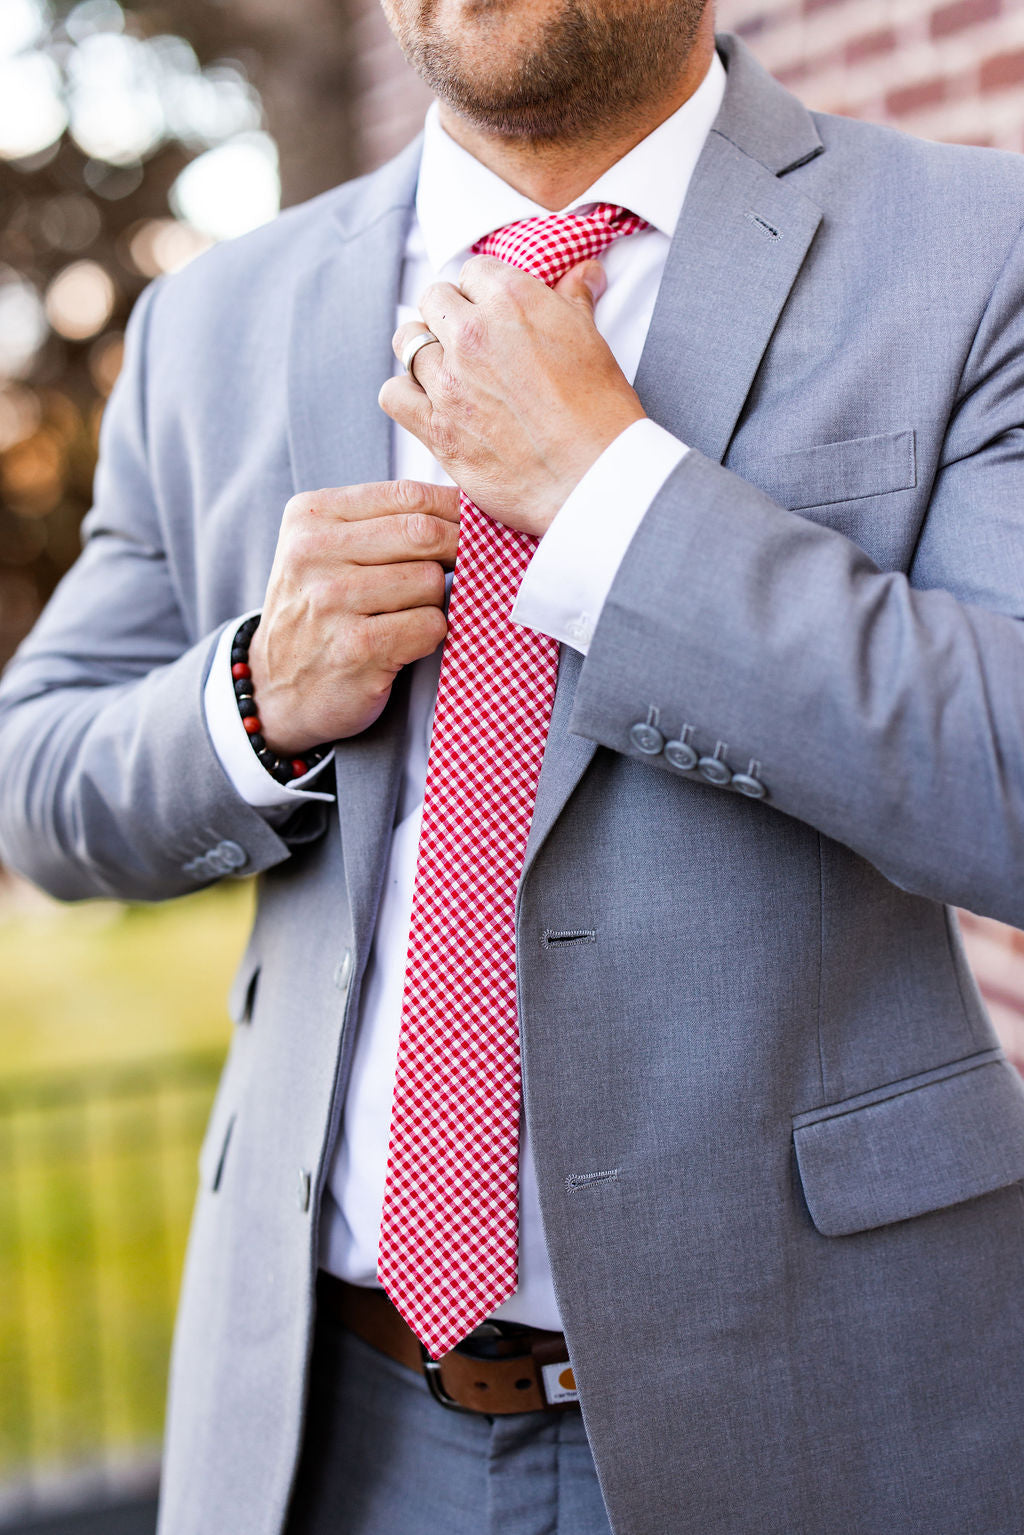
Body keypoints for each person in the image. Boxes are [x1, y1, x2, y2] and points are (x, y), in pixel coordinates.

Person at [4, 0, 1024, 1526]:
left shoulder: (977, 251)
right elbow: (41, 784)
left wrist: (613, 500)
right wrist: (256, 696)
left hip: (818, 1406)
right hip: (322, 1422)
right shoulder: (215, 318)